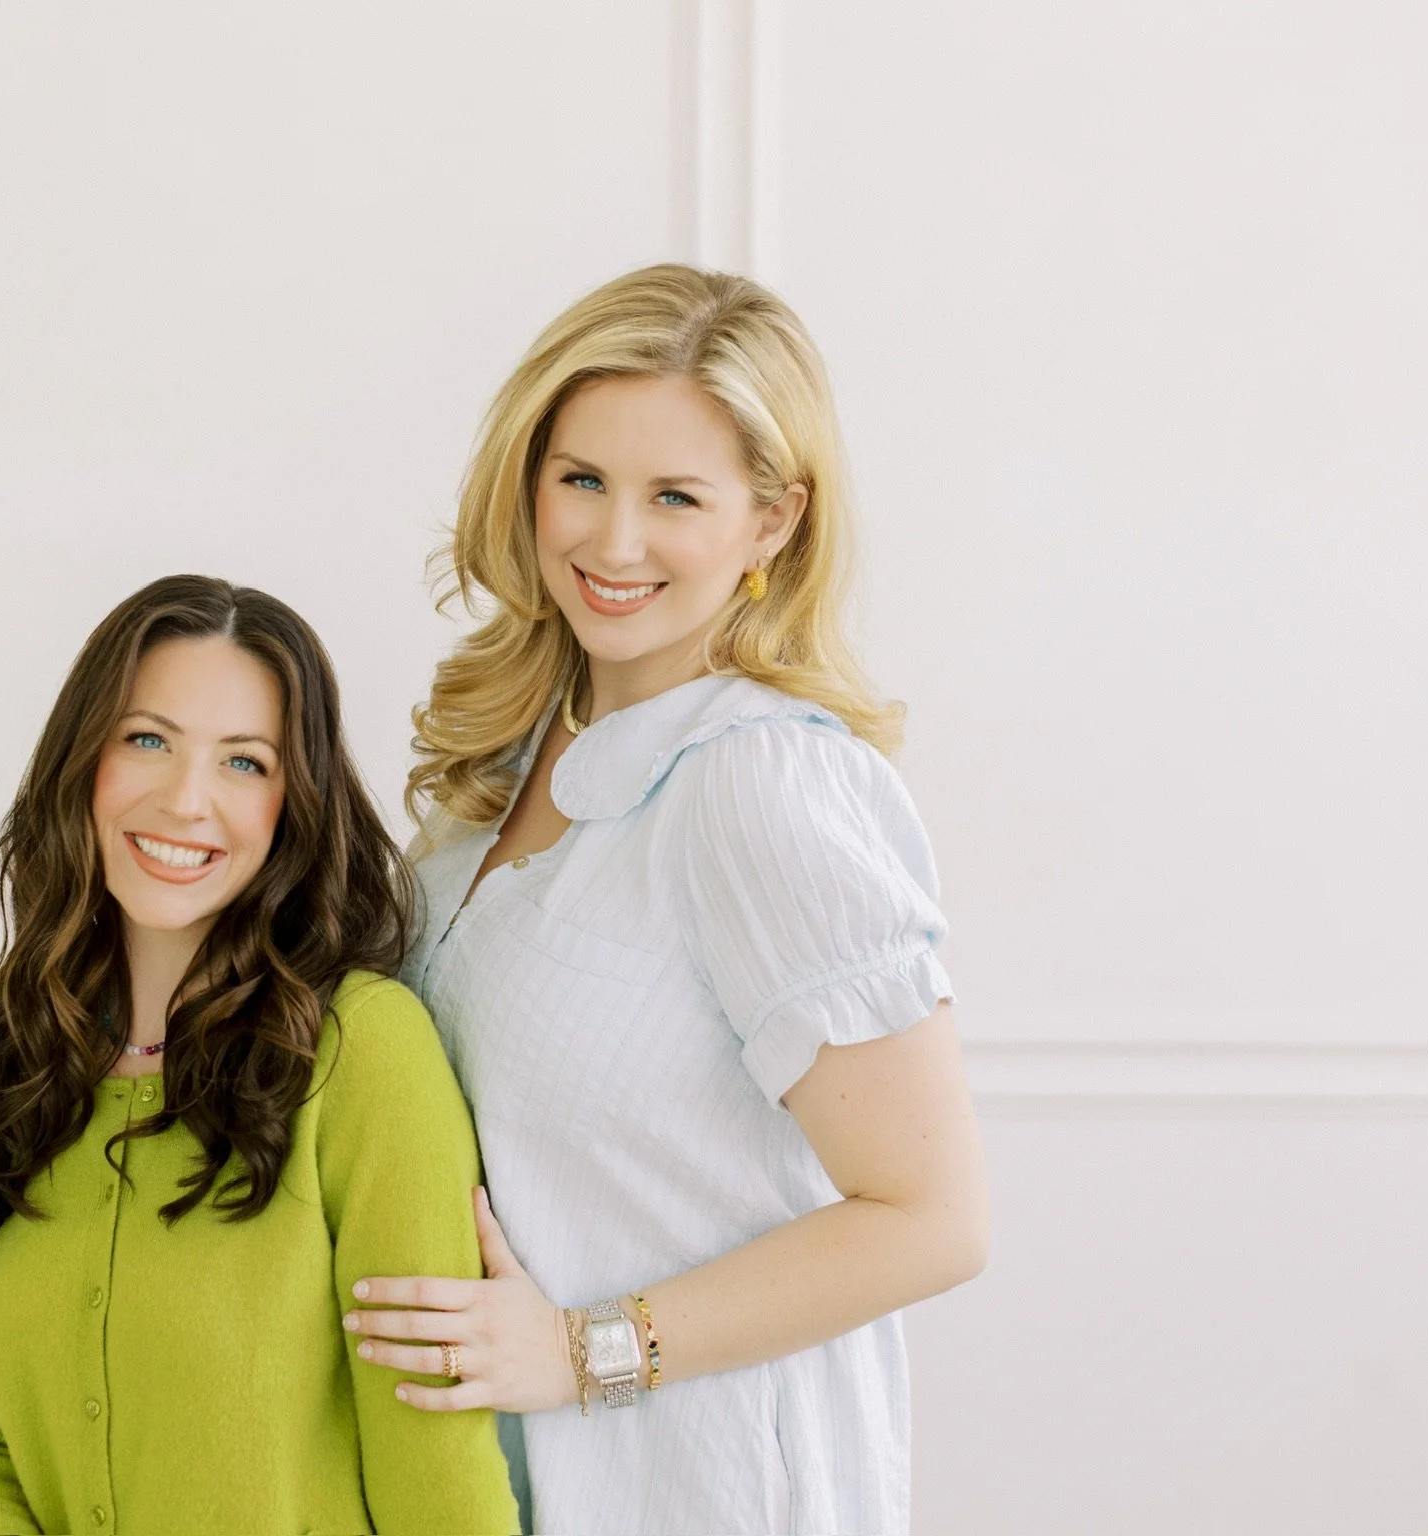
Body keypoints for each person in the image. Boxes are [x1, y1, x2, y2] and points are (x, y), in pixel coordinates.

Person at [344, 265, 990, 1535]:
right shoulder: (510, 755)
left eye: (675, 497)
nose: (613, 542)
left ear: (773, 521)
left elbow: (934, 1219)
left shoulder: (761, 785)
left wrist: (581, 1352)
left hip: (698, 1490)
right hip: (498, 1486)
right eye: (581, 479)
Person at [0, 574, 517, 1535]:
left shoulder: (361, 1054)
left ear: (293, 803)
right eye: (147, 740)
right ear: (83, 758)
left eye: (244, 762)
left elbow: (436, 1477)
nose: (186, 800)